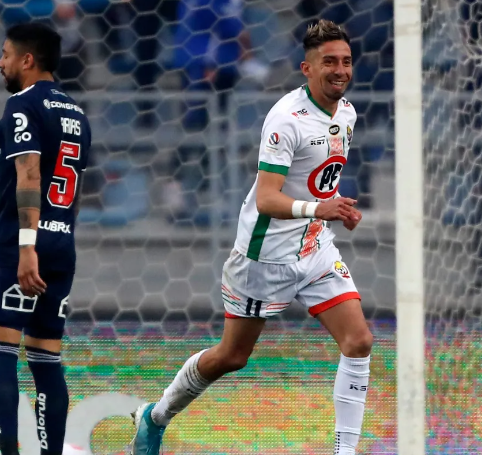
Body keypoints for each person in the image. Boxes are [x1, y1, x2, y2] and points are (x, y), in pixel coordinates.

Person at [129, 19, 373, 455]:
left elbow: (316, 181)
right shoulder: (286, 119)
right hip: (265, 258)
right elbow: (267, 199)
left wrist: (335, 206)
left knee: (359, 342)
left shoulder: (347, 113)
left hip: (314, 247)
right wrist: (319, 208)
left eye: (346, 61)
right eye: (329, 62)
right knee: (232, 357)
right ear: (307, 68)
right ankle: (156, 416)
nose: (340, 70)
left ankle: (345, 451)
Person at [0, 23, 92, 455]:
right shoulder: (77, 113)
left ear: (27, 60)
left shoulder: (21, 104)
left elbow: (28, 172)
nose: (0, 62)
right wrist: (56, 241)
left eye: (6, 54)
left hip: (18, 246)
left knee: (1, 351)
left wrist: (27, 246)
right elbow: (75, 192)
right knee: (47, 359)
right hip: (62, 244)